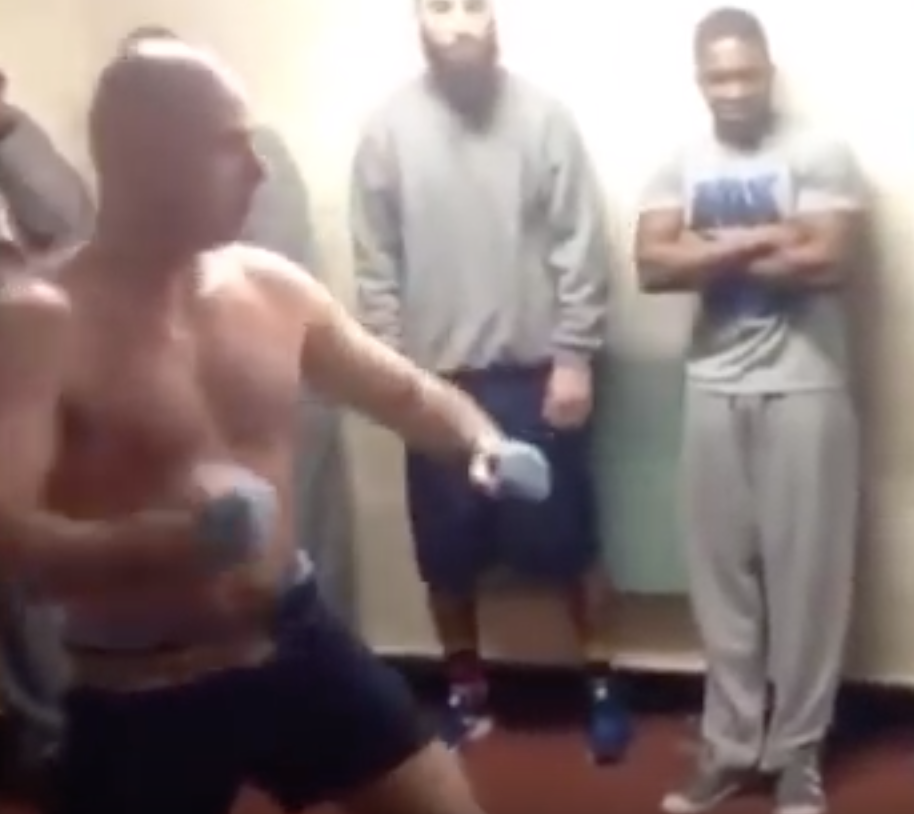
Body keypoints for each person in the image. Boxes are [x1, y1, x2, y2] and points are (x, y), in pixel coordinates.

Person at [0, 41, 542, 814]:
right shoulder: (37, 321)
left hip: (297, 641)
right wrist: (165, 543)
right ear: (143, 154)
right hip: (139, 689)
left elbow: (409, 395)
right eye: (229, 145)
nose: (258, 170)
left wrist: (480, 440)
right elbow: (11, 538)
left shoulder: (272, 287)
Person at [351, 0, 629, 757]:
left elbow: (581, 244)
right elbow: (376, 267)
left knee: (570, 544)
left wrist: (574, 357)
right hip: (435, 385)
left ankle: (602, 684)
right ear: (417, 19)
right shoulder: (386, 132)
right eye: (441, 7)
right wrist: (393, 379)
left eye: (473, 5)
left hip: (537, 376)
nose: (460, 25)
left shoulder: (544, 118)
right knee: (446, 556)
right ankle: (466, 691)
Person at [634, 8, 864, 814]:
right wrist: (764, 239)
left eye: (746, 74)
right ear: (700, 80)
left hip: (807, 384)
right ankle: (731, 749)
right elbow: (650, 267)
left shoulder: (819, 151)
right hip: (711, 384)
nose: (733, 90)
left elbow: (827, 260)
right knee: (721, 582)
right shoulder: (679, 159)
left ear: (768, 71)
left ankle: (798, 756)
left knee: (808, 585)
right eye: (718, 77)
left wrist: (704, 248)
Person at [118, 24, 360, 629]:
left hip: (281, 387)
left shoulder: (255, 154)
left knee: (306, 558)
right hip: (202, 406)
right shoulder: (140, 179)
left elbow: (261, 282)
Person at [0, 67, 93, 773]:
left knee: (32, 567)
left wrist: (8, 132)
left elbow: (74, 224)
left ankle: (62, 732)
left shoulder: (18, 145)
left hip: (27, 387)